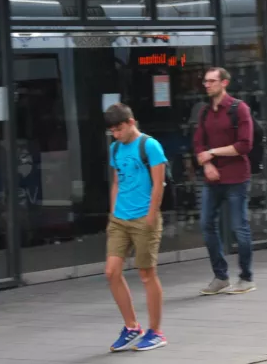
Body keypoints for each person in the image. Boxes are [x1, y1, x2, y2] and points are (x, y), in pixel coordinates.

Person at [104, 103, 168, 352]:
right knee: (111, 272)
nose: (116, 135)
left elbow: (158, 183)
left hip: (144, 217)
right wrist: (113, 213)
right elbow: (117, 181)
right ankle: (132, 327)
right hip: (120, 218)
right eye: (112, 131)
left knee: (146, 274)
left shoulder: (149, 145)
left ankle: (156, 332)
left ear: (131, 122)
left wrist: (151, 216)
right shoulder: (115, 147)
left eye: (119, 129)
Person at [194, 67, 256, 295]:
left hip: (236, 178)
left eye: (212, 81)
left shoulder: (239, 109)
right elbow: (198, 143)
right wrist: (208, 163)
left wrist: (213, 153)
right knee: (206, 224)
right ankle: (220, 277)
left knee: (239, 227)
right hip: (213, 179)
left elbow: (244, 145)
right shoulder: (204, 112)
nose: (207, 85)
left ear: (224, 83)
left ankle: (246, 278)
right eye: (205, 81)